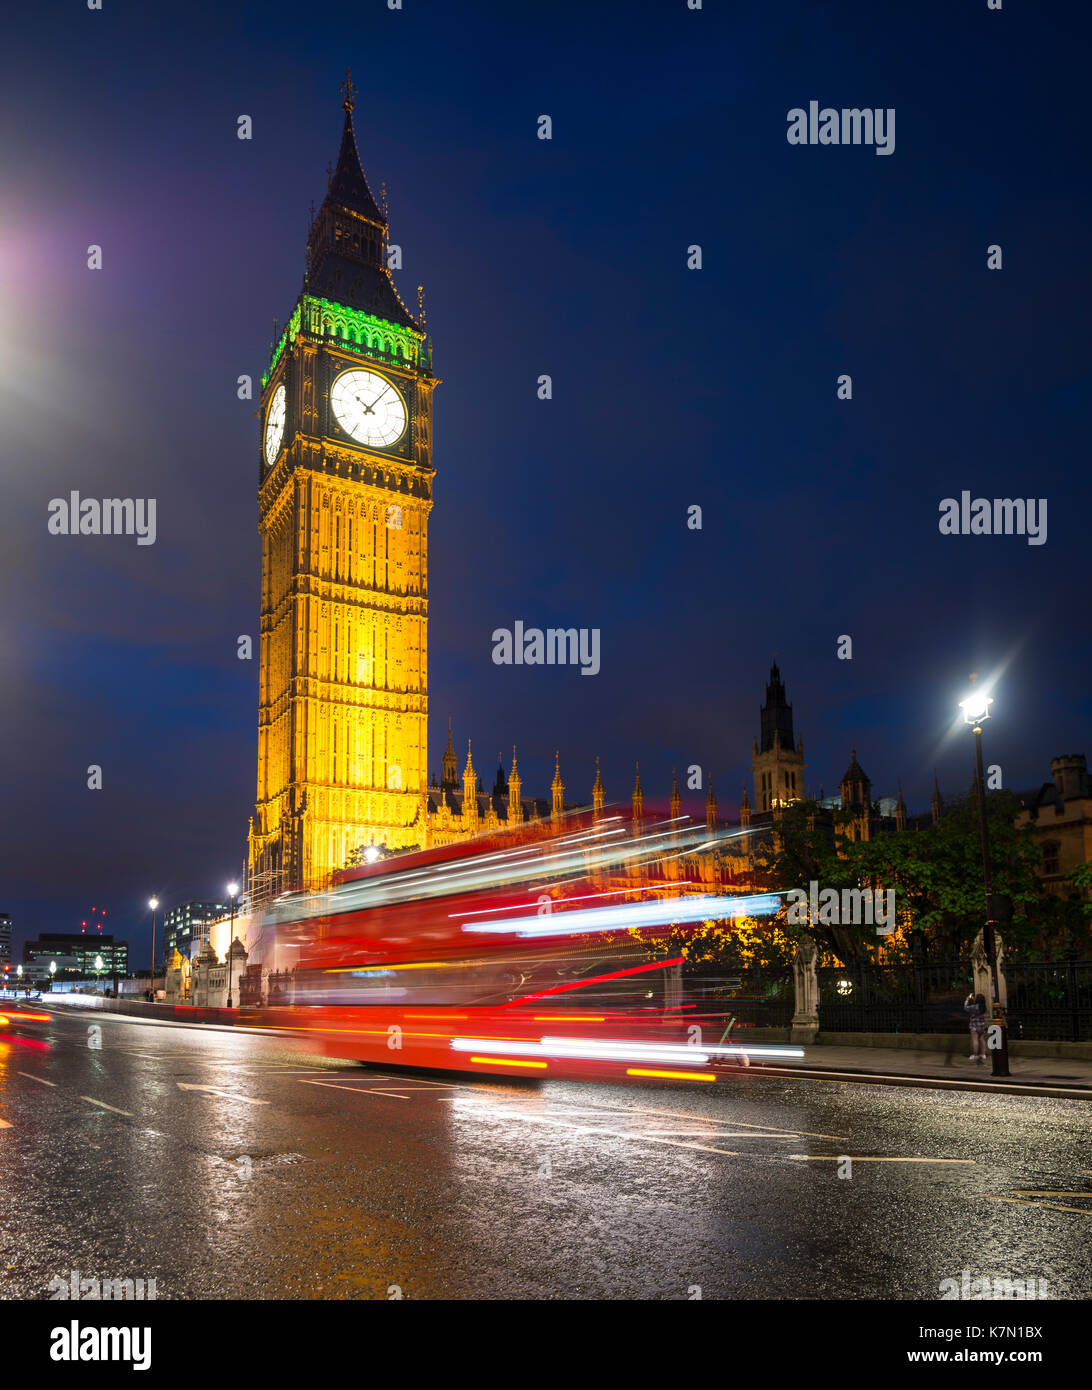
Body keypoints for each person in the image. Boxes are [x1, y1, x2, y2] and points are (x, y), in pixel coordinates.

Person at [964, 991, 988, 1062]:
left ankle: (975, 1055)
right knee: (982, 1039)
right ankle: (983, 1054)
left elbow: (965, 1008)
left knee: (975, 1040)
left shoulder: (974, 1007)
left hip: (974, 1026)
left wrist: (967, 1000)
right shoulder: (984, 1007)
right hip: (981, 1026)